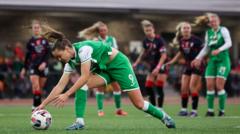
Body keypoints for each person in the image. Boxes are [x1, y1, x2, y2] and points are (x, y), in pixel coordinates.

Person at [36, 27, 176, 130]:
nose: (59, 59)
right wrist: (43, 104)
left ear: (67, 49)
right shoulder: (70, 61)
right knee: (82, 86)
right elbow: (59, 86)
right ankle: (79, 122)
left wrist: (67, 94)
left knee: (139, 104)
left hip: (119, 65)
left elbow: (84, 76)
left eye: (60, 56)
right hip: (104, 70)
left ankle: (164, 117)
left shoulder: (84, 50)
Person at [78, 21, 127, 117]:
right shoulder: (96, 40)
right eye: (101, 30)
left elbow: (115, 51)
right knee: (100, 88)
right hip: (100, 66)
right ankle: (100, 110)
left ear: (107, 30)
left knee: (116, 87)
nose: (103, 32)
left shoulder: (112, 40)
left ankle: (118, 110)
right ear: (98, 31)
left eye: (104, 30)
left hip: (111, 66)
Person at [191, 13, 232, 116]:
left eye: (215, 21)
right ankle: (210, 111)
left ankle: (222, 111)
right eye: (211, 21)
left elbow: (229, 43)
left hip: (223, 60)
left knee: (219, 86)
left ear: (219, 21)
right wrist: (197, 58)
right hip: (212, 61)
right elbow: (206, 48)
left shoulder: (223, 30)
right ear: (209, 23)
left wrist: (219, 49)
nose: (213, 23)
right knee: (209, 86)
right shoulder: (208, 33)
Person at [165, 22, 203, 117]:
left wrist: (200, 60)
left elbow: (204, 52)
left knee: (192, 87)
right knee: (183, 88)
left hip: (197, 66)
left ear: (190, 29)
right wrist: (172, 62)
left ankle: (194, 111)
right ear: (181, 30)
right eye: (184, 28)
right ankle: (184, 110)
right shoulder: (181, 41)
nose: (186, 29)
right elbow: (180, 53)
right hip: (188, 66)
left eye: (188, 28)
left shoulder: (197, 40)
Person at [133, 20, 168, 109]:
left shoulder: (159, 40)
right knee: (148, 86)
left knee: (159, 86)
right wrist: (136, 63)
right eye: (146, 31)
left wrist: (158, 67)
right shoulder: (145, 41)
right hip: (152, 65)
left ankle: (160, 108)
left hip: (161, 65)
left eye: (150, 30)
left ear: (153, 30)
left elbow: (164, 56)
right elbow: (143, 53)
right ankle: (153, 108)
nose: (148, 32)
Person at [20, 20, 50, 110]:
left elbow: (48, 54)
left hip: (44, 67)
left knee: (40, 88)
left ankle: (38, 105)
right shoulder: (30, 42)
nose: (36, 29)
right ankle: (35, 106)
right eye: (34, 28)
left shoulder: (45, 41)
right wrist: (24, 68)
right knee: (35, 86)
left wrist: (44, 63)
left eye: (38, 27)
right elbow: (27, 56)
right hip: (33, 66)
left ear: (40, 29)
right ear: (32, 29)